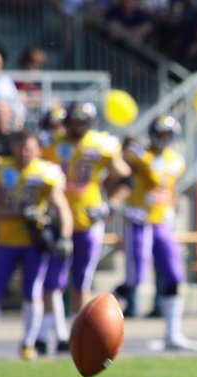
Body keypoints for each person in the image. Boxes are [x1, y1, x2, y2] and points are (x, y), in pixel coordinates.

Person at [39, 101, 130, 349]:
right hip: (58, 222)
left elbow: (126, 178)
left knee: (81, 281)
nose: (78, 125)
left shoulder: (100, 144)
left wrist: (110, 204)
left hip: (88, 221)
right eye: (75, 120)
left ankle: (75, 335)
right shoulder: (51, 143)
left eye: (83, 121)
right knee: (52, 279)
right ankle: (50, 334)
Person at [114, 115, 197, 350]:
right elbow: (121, 158)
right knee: (135, 278)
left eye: (166, 133)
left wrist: (171, 208)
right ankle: (100, 315)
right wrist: (126, 145)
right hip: (139, 219)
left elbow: (171, 188)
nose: (163, 137)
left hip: (162, 222)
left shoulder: (175, 160)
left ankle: (173, 334)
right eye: (159, 133)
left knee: (174, 275)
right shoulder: (141, 155)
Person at [0, 130, 73, 359]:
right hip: (6, 240)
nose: (24, 153)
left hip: (34, 243)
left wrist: (65, 236)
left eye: (28, 148)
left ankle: (28, 343)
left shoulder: (45, 172)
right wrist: (19, 213)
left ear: (38, 150)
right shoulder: (1, 168)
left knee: (33, 292)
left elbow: (62, 208)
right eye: (20, 147)